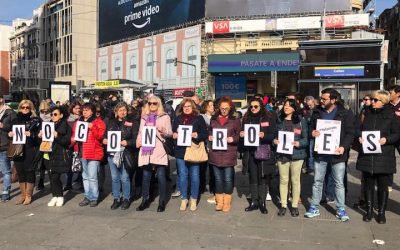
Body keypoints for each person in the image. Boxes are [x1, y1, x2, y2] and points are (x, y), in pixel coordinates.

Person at [304, 88, 355, 222]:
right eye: (321, 98)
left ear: (333, 100)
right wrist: (312, 133)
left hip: (337, 154)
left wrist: (344, 146)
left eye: (324, 99)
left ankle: (340, 209)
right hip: (320, 153)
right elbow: (310, 128)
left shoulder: (345, 113)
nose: (321, 100)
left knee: (338, 182)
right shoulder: (317, 112)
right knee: (317, 181)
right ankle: (314, 206)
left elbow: (351, 133)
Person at [356, 90, 400, 224]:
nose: (372, 102)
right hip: (367, 155)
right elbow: (358, 128)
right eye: (372, 100)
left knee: (383, 185)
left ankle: (381, 212)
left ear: (383, 102)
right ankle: (369, 211)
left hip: (384, 155)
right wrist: (359, 137)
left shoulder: (391, 115)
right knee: (368, 184)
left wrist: (386, 140)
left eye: (375, 100)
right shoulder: (366, 113)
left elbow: (397, 134)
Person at [136, 96, 172, 212]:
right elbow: (141, 132)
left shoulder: (165, 117)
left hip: (159, 149)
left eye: (154, 103)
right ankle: (145, 199)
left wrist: (163, 131)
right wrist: (138, 142)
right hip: (146, 150)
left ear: (159, 104)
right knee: (146, 176)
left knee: (161, 176)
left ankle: (162, 201)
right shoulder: (144, 117)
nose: (152, 105)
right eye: (150, 103)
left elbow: (170, 133)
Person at [240, 97, 276, 214]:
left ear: (261, 107)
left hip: (263, 150)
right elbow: (242, 133)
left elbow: (273, 135)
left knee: (262, 177)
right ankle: (254, 202)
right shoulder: (246, 118)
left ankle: (262, 202)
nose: (253, 108)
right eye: (251, 106)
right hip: (250, 152)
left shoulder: (268, 117)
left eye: (256, 106)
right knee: (253, 177)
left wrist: (264, 135)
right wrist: (241, 134)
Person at [273, 99, 308, 217]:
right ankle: (283, 205)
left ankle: (294, 205)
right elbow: (273, 136)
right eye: (285, 105)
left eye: (289, 105)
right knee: (283, 180)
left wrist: (299, 143)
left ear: (294, 108)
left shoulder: (301, 121)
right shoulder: (279, 120)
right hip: (282, 154)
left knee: (295, 180)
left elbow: (306, 139)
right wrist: (274, 141)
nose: (286, 107)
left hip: (296, 155)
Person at [172, 99, 208, 211]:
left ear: (193, 107)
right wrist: (174, 135)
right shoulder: (177, 119)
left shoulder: (199, 118)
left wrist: (197, 135)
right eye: (184, 106)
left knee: (195, 176)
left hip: (194, 151)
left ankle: (193, 199)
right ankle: (184, 199)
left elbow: (205, 134)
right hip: (181, 151)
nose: (186, 108)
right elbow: (173, 133)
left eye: (189, 106)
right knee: (182, 176)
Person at [103, 102, 139, 210]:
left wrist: (127, 143)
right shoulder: (110, 122)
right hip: (112, 154)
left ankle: (126, 198)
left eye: (124, 110)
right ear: (116, 112)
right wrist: (104, 140)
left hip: (125, 153)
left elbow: (136, 138)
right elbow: (104, 136)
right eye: (120, 110)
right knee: (114, 177)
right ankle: (116, 198)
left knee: (124, 177)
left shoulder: (132, 122)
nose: (122, 112)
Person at [208, 96, 241, 212]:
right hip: (215, 154)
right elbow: (209, 132)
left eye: (226, 108)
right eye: (222, 108)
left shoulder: (235, 120)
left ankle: (227, 202)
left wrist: (233, 139)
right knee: (217, 179)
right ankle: (219, 201)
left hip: (228, 154)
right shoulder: (214, 119)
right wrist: (209, 136)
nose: (224, 110)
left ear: (230, 108)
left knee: (227, 179)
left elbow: (239, 135)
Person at [71, 102, 106, 207]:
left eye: (87, 110)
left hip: (94, 152)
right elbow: (74, 135)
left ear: (92, 111)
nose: (85, 112)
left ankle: (94, 197)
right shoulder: (79, 122)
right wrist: (72, 139)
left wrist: (92, 127)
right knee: (85, 176)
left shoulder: (99, 122)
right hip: (83, 152)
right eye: (84, 110)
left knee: (92, 176)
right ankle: (87, 196)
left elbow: (100, 136)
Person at [9, 100, 41, 205]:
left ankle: (28, 196)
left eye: (27, 107)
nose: (25, 109)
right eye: (23, 107)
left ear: (31, 108)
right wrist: (10, 133)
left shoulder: (36, 120)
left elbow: (40, 137)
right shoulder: (15, 119)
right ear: (20, 108)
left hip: (30, 149)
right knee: (20, 172)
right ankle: (23, 195)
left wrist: (31, 134)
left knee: (30, 171)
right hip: (17, 148)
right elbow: (9, 131)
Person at [39, 106, 72, 207]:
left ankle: (60, 196)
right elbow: (43, 138)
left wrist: (57, 136)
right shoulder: (48, 125)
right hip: (47, 153)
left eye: (55, 114)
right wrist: (40, 135)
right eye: (51, 114)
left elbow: (66, 141)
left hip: (59, 154)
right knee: (51, 175)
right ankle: (54, 196)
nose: (53, 116)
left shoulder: (66, 126)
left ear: (61, 115)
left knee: (56, 176)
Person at [64, 100, 83, 191]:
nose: (78, 110)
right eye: (76, 108)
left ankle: (81, 182)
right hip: (70, 144)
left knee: (80, 164)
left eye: (79, 108)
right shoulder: (68, 119)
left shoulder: (82, 118)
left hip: (80, 145)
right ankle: (68, 183)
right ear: (72, 109)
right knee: (69, 164)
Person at [0, 98, 16, 201]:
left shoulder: (9, 112)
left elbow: (14, 127)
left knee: (6, 170)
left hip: (4, 144)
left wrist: (3, 126)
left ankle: (6, 191)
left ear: (1, 99)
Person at [200, 100, 216, 204]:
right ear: (206, 107)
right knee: (202, 167)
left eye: (213, 105)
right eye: (210, 105)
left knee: (212, 168)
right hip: (204, 145)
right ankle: (201, 186)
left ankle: (212, 187)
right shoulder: (202, 117)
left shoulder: (215, 117)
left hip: (214, 145)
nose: (213, 107)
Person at [36, 100, 52, 191]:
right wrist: (38, 134)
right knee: (41, 164)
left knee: (49, 164)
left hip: (50, 145)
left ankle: (52, 182)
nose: (45, 113)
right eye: (43, 111)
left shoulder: (53, 119)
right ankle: (41, 181)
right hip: (40, 145)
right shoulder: (38, 119)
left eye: (47, 111)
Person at [387, 85, 400, 192]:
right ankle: (388, 184)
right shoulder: (386, 106)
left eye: (390, 93)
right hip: (390, 137)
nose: (389, 94)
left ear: (398, 94)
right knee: (389, 160)